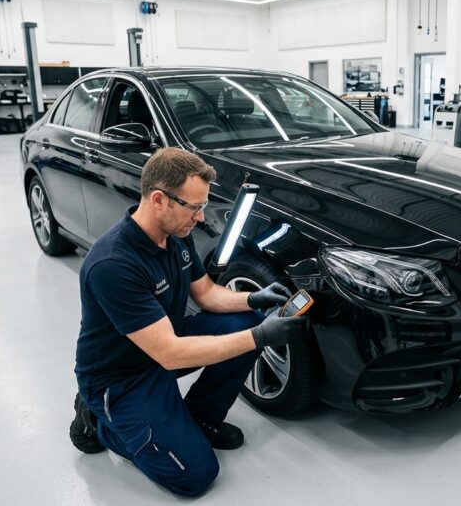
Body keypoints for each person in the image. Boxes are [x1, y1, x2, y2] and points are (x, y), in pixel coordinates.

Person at [69, 147, 306, 497]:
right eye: (194, 206)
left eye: (202, 205)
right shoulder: (113, 264)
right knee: (196, 475)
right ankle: (100, 421)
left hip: (163, 344)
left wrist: (253, 299)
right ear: (159, 200)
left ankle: (200, 417)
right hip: (121, 378)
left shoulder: (174, 236)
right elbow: (170, 354)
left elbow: (207, 294)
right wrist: (258, 337)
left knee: (244, 321)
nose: (200, 216)